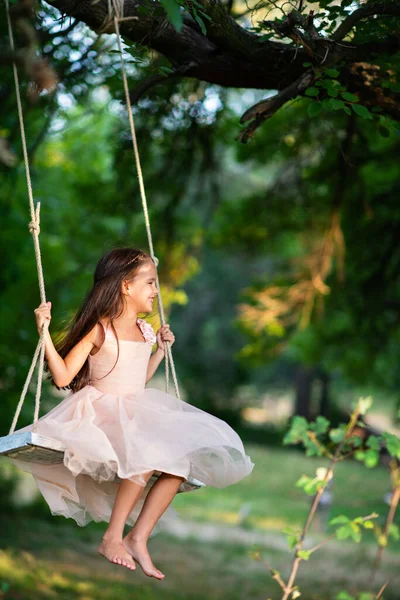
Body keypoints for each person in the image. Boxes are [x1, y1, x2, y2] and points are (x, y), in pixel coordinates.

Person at [11, 247, 255, 580]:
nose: (156, 291)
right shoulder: (100, 330)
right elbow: (64, 377)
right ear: (126, 286)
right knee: (146, 451)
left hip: (133, 409)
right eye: (150, 283)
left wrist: (159, 353)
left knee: (178, 465)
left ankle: (137, 537)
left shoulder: (145, 331)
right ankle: (111, 537)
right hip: (99, 415)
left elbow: (136, 380)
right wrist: (45, 333)